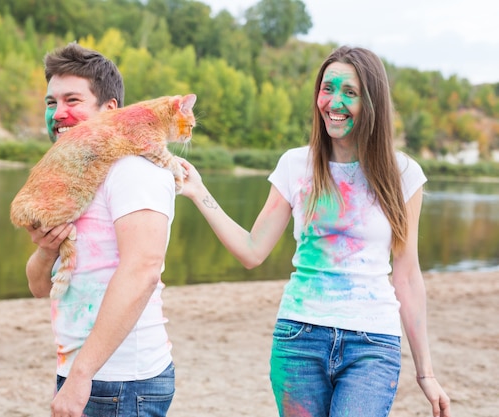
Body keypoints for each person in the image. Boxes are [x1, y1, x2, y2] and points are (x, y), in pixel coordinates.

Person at [179, 46, 451, 417]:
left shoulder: (403, 174)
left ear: (372, 103)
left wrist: (426, 373)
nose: (333, 102)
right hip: (299, 339)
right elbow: (251, 250)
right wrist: (199, 191)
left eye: (349, 92)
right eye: (327, 89)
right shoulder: (296, 165)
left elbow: (406, 276)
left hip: (372, 345)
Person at [24, 42, 176, 417]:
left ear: (110, 110)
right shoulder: (71, 179)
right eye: (50, 102)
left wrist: (81, 375)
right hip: (83, 371)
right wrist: (46, 250)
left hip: (123, 381)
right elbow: (39, 287)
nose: (58, 113)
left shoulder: (133, 170)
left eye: (72, 100)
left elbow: (142, 271)